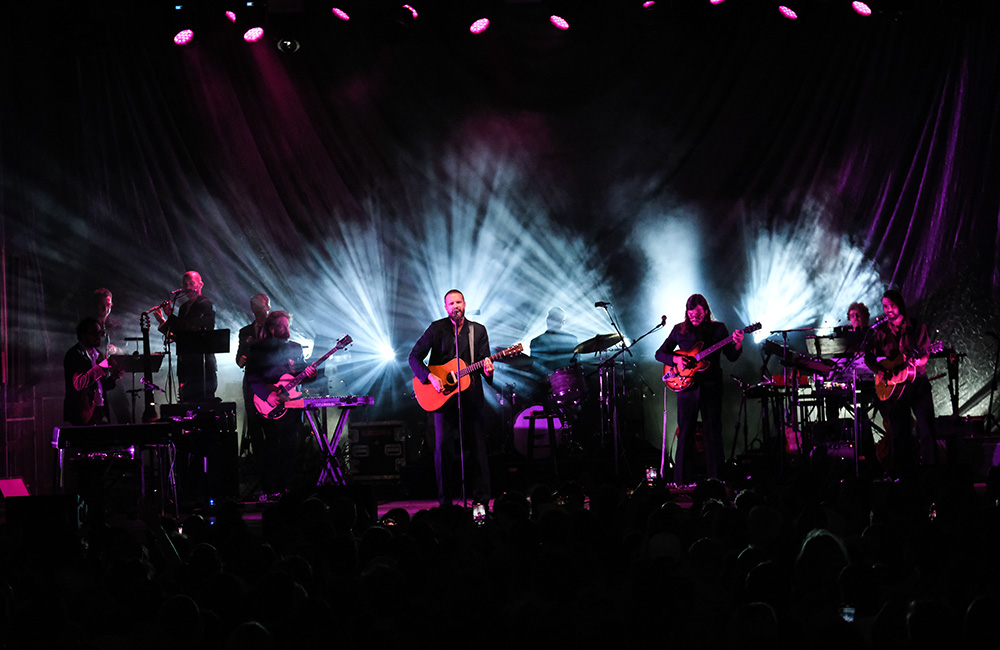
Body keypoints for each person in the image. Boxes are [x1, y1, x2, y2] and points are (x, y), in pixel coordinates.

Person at [409, 289, 494, 506]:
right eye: (451, 303)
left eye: (458, 302)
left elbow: (484, 362)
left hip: (471, 398)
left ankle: (481, 499)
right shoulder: (437, 328)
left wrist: (489, 371)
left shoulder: (478, 330)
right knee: (443, 449)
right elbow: (414, 357)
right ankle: (445, 501)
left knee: (477, 449)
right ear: (445, 308)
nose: (455, 306)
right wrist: (430, 377)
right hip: (442, 398)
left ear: (465, 304)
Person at [655, 294, 743, 485]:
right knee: (685, 433)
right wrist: (676, 359)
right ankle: (681, 482)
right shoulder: (680, 330)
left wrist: (737, 342)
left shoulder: (718, 329)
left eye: (699, 315)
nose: (695, 318)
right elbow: (660, 353)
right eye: (692, 315)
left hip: (711, 387)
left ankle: (716, 481)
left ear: (706, 312)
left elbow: (732, 356)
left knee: (713, 433)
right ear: (687, 313)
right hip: (686, 388)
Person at [864, 289, 937, 478]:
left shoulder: (916, 327)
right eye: (885, 306)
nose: (888, 310)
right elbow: (868, 356)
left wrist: (917, 361)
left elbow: (925, 355)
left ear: (900, 305)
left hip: (917, 382)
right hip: (894, 387)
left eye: (891, 306)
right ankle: (902, 474)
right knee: (898, 430)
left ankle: (931, 472)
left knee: (926, 428)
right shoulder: (881, 332)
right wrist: (879, 371)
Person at [245, 310, 317, 498]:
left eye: (287, 326)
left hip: (293, 404)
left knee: (292, 446)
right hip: (270, 403)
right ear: (272, 328)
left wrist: (311, 375)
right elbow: (252, 377)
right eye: (282, 326)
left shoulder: (295, 347)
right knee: (272, 447)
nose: (286, 330)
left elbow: (300, 375)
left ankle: (288, 488)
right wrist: (268, 395)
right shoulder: (259, 348)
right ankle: (271, 489)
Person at [154, 271, 217, 402]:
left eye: (191, 284)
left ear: (200, 285)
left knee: (202, 405)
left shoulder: (205, 304)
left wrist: (171, 317)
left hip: (202, 366)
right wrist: (163, 322)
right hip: (186, 365)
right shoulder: (183, 307)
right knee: (185, 403)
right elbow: (181, 337)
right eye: (185, 284)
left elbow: (192, 330)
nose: (188, 287)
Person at [64, 317, 124, 425]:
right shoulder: (74, 355)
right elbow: (78, 384)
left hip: (100, 410)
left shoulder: (98, 355)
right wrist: (101, 368)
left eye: (100, 332)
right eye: (94, 333)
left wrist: (114, 377)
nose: (98, 336)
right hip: (82, 413)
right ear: (83, 335)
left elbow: (102, 385)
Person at [236, 293, 271, 464]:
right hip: (251, 382)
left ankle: (274, 464)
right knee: (254, 423)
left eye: (261, 306)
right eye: (255, 306)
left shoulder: (275, 329)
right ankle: (260, 464)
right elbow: (238, 359)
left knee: (272, 423)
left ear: (268, 306)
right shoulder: (245, 332)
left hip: (271, 382)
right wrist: (241, 360)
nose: (259, 310)